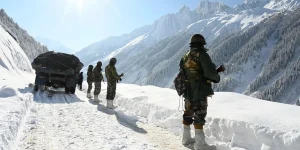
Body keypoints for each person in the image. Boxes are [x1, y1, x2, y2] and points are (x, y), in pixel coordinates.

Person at [180, 34, 220, 150]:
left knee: (188, 112)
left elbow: (183, 71)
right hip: (200, 90)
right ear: (202, 44)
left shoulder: (185, 56)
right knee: (199, 115)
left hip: (188, 90)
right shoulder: (202, 55)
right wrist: (216, 77)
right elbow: (209, 73)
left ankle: (186, 139)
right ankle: (200, 144)